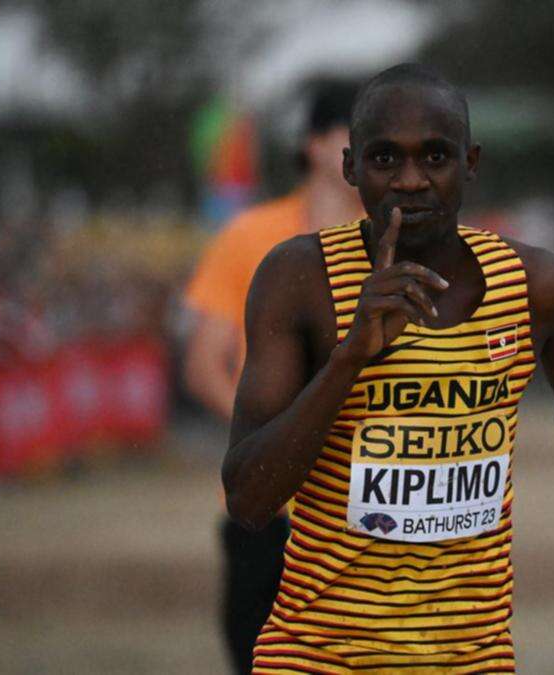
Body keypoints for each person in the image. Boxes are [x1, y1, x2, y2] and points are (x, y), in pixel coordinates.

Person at [224, 64, 554, 673]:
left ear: (470, 163)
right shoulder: (300, 279)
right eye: (385, 159)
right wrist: (351, 356)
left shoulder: (539, 286)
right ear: (349, 168)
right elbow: (249, 500)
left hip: (473, 660)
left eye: (436, 157)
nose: (412, 181)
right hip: (318, 659)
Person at [182, 82, 365, 674]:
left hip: (364, 517)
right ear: (313, 144)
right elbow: (204, 365)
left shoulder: (397, 240)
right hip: (267, 509)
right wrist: (277, 433)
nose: (369, 153)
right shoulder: (248, 236)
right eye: (353, 136)